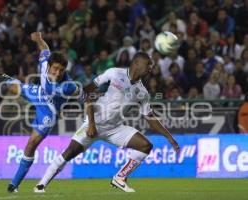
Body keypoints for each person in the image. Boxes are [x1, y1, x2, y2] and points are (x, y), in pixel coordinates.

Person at [34, 52, 180, 193]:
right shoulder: (114, 73)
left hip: (115, 128)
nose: (150, 68)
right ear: (137, 63)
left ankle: (120, 177)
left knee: (146, 145)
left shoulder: (142, 92)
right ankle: (41, 185)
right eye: (148, 65)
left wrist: (170, 139)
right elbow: (87, 93)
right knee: (69, 153)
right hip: (94, 123)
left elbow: (150, 117)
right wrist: (91, 123)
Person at [0, 32, 81, 193]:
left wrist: (89, 96)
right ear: (48, 65)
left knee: (31, 143)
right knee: (9, 86)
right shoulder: (43, 62)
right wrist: (39, 39)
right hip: (39, 93)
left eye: (61, 70)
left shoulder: (67, 85)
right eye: (55, 68)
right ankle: (7, 78)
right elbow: (45, 49)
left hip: (49, 111)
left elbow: (80, 92)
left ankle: (14, 184)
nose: (58, 73)